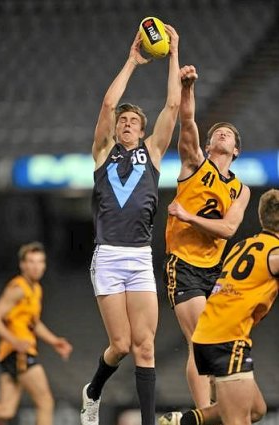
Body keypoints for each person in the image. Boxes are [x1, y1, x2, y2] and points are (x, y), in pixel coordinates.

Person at [80, 25, 181, 425]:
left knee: (145, 347)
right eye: (122, 120)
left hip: (139, 257)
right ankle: (93, 390)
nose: (124, 123)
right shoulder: (103, 152)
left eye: (131, 121)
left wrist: (174, 53)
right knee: (119, 345)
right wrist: (133, 62)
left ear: (141, 129)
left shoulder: (153, 153)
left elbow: (172, 107)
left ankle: (148, 421)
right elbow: (107, 106)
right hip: (108, 256)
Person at [163, 65, 251, 408]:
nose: (222, 134)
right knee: (200, 337)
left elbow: (228, 230)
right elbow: (187, 123)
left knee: (215, 339)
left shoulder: (240, 190)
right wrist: (187, 89)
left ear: (237, 150)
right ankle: (204, 413)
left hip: (214, 270)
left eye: (229, 134)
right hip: (183, 262)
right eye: (218, 132)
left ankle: (212, 407)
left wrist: (188, 216)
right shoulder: (194, 164)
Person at [159, 188, 279, 425]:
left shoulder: (243, 246)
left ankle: (184, 421)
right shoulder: (275, 254)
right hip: (228, 338)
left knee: (257, 410)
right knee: (238, 420)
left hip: (209, 333)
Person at [0, 241, 73, 425]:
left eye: (40, 262)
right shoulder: (18, 289)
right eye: (31, 261)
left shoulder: (35, 289)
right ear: (22, 264)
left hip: (12, 353)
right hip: (19, 351)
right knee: (45, 402)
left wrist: (55, 341)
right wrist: (13, 341)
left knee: (5, 411)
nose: (36, 266)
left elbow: (34, 323)